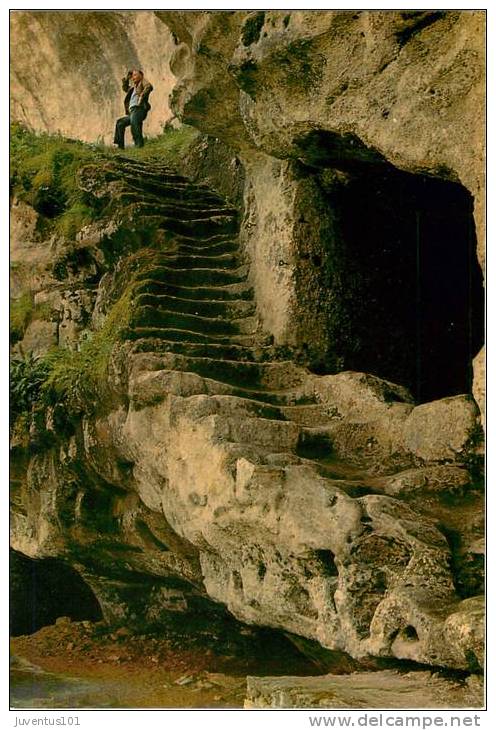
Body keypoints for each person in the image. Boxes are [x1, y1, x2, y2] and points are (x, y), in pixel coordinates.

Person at [114, 69, 153, 149]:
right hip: (132, 111)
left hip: (139, 108)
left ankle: (139, 145)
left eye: (135, 75)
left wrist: (142, 95)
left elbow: (149, 86)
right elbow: (125, 89)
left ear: (141, 76)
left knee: (134, 125)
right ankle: (120, 147)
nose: (133, 77)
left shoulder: (142, 82)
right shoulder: (133, 88)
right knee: (120, 123)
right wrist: (126, 79)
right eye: (132, 76)